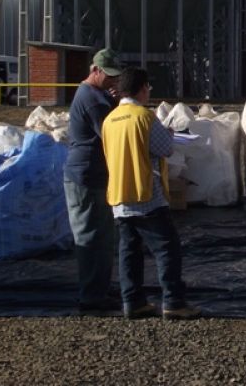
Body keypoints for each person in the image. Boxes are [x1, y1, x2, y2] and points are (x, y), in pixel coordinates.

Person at [102, 66, 199, 320]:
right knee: (168, 248)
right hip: (145, 194)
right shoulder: (144, 117)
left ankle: (132, 302)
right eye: (148, 88)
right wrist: (167, 133)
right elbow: (165, 149)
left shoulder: (110, 119)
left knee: (129, 251)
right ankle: (173, 302)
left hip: (118, 195)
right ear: (143, 88)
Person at [64, 48, 123, 312]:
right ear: (95, 70)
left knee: (103, 236)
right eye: (109, 76)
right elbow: (111, 132)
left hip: (95, 175)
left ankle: (99, 289)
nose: (113, 81)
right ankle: (91, 295)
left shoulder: (95, 95)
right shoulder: (92, 99)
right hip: (86, 176)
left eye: (116, 77)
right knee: (90, 236)